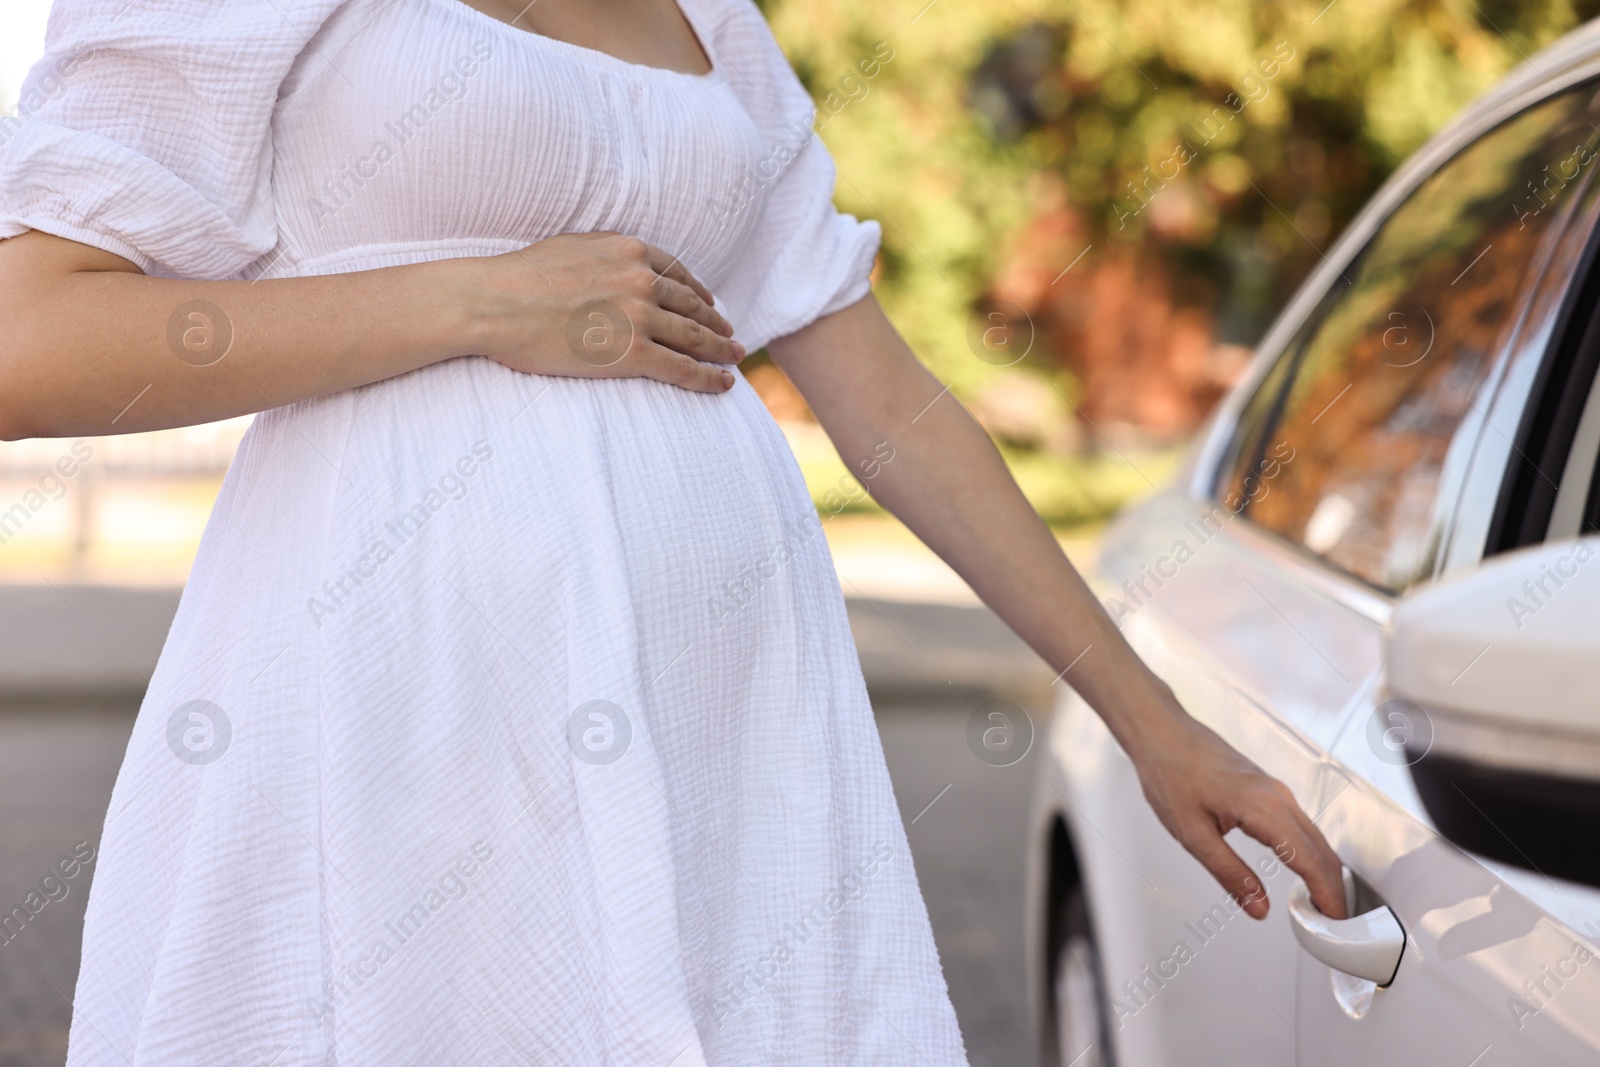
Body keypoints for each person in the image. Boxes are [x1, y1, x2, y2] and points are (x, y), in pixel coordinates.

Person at [0, 0, 1348, 1062]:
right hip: (404, 703)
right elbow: (29, 338)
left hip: (731, 737)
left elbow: (891, 409)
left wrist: (1150, 721)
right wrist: (477, 303)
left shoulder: (722, 25)